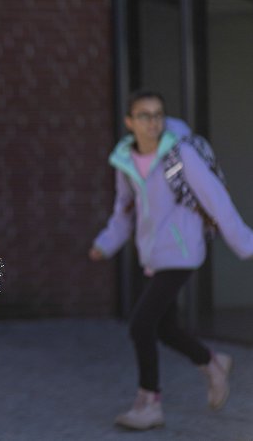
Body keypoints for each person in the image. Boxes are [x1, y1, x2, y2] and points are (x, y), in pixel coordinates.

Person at [89, 90, 253, 430]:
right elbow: (124, 212)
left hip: (183, 250)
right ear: (129, 122)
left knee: (140, 324)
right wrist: (105, 244)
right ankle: (212, 363)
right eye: (144, 116)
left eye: (158, 115)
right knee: (165, 327)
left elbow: (216, 200)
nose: (153, 122)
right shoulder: (125, 161)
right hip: (153, 253)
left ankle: (149, 403)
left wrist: (245, 242)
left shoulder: (181, 154)